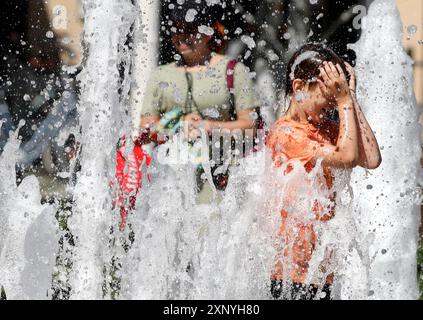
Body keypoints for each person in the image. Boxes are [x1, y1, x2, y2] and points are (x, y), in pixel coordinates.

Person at [266, 44, 381, 300]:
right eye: (325, 101)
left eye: (333, 104)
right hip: (289, 274)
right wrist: (342, 101)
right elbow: (348, 156)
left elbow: (371, 158)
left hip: (321, 271)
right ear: (299, 89)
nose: (330, 110)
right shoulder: (286, 134)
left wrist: (350, 99)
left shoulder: (324, 128)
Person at [136, 0, 260, 203]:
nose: (181, 35)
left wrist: (208, 126)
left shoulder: (233, 70)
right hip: (170, 184)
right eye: (176, 28)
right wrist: (177, 124)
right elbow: (145, 129)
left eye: (189, 29)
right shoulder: (161, 75)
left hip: (221, 179)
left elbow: (251, 126)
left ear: (208, 32)